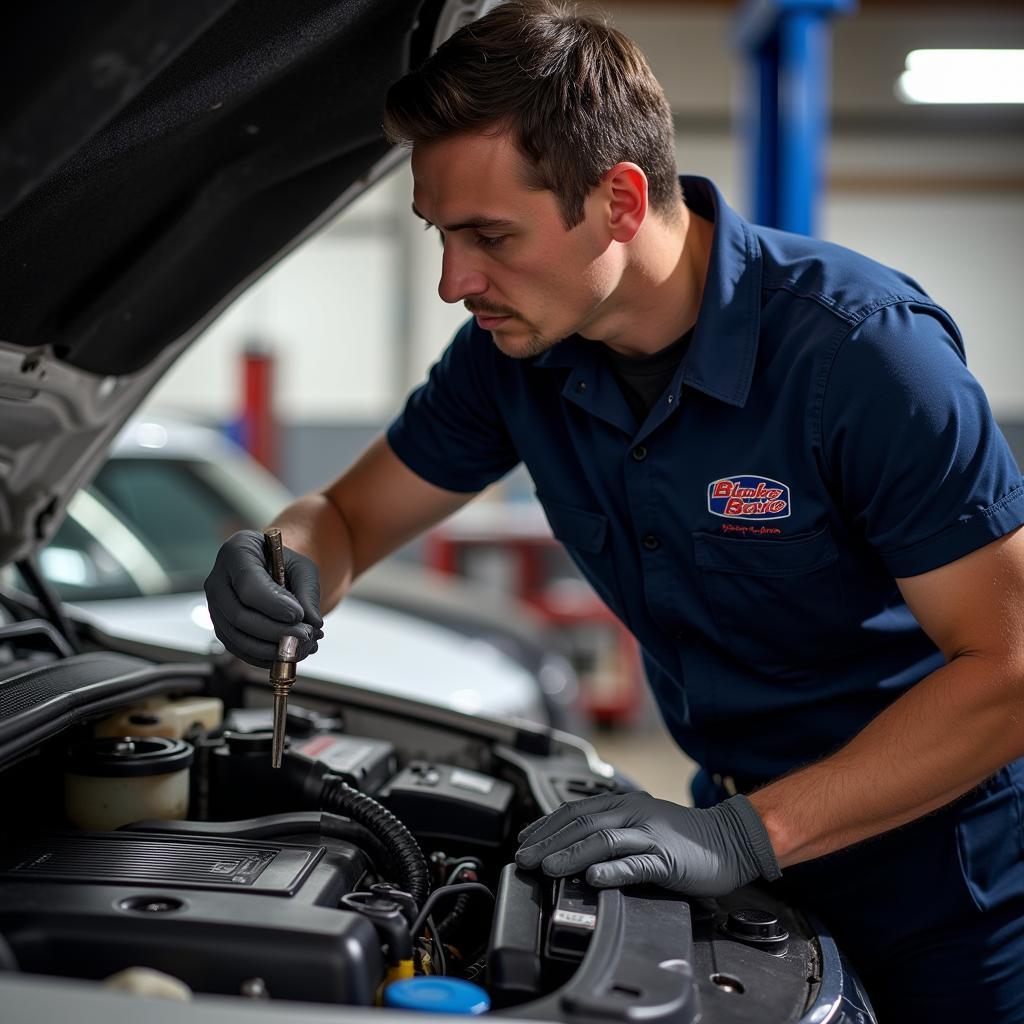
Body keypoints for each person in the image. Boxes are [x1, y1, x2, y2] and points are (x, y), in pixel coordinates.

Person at [204, 1, 1024, 1017]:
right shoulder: (517, 359)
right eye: (439, 236)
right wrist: (279, 554)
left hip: (952, 886)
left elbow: (1008, 667)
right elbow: (347, 515)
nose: (456, 281)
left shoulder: (862, 357)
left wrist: (742, 836)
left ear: (621, 200)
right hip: (740, 853)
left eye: (489, 236)